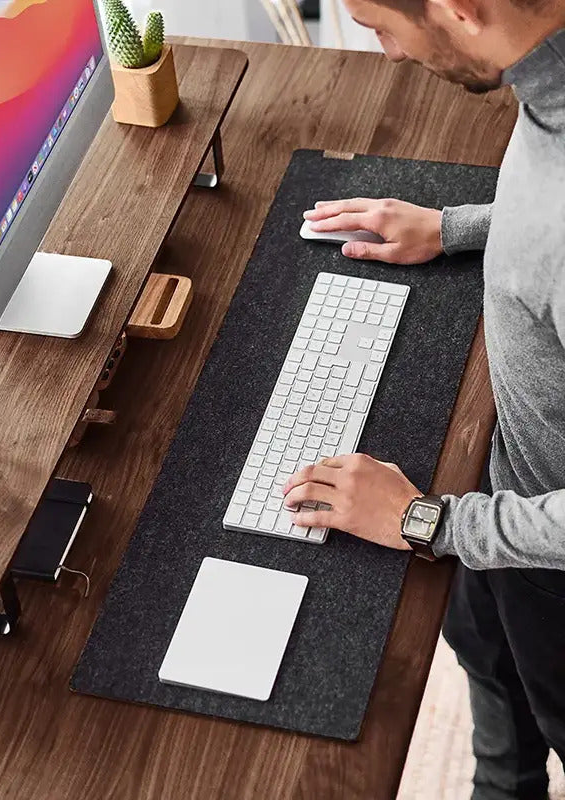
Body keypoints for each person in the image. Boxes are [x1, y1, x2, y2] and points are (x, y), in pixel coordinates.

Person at [280, 0, 565, 797]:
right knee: (484, 647)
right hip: (511, 487)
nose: (393, 54)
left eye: (378, 25)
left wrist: (427, 521)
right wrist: (460, 226)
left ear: (461, 12)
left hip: (549, 552)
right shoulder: (551, 73)